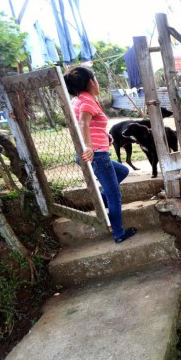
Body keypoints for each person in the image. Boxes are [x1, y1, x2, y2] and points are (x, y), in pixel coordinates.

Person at [63, 66, 137, 244]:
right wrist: (89, 146)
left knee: (122, 172)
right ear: (91, 82)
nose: (97, 83)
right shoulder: (88, 100)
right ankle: (118, 233)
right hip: (96, 155)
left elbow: (92, 125)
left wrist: (105, 136)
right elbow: (83, 123)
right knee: (115, 196)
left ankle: (100, 200)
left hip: (96, 153)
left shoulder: (79, 99)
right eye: (95, 79)